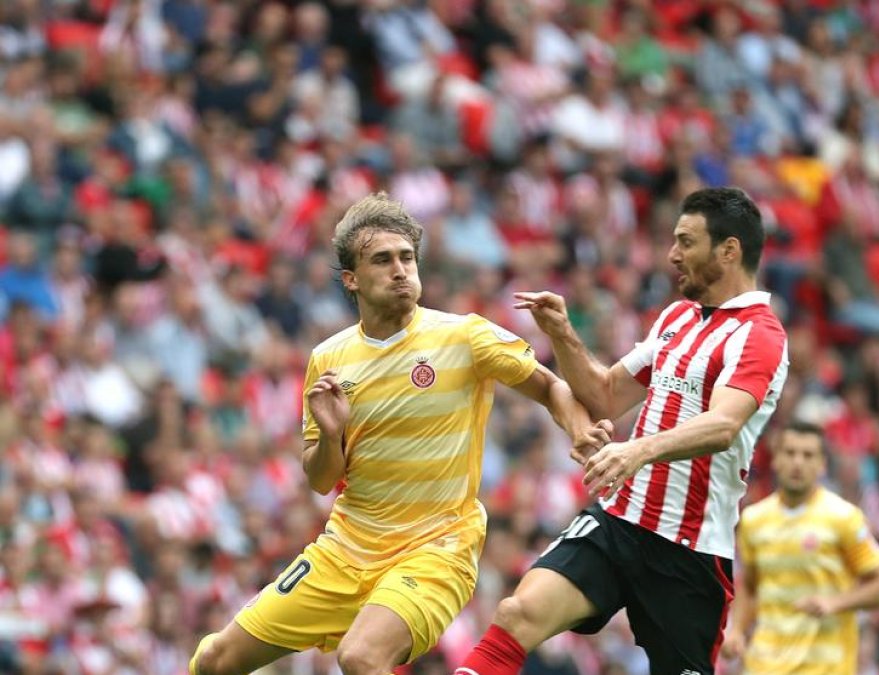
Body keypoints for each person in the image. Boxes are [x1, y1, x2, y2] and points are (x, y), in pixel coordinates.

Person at [190, 192, 612, 675]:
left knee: (362, 657)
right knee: (214, 660)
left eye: (407, 258)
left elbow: (552, 387)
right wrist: (330, 437)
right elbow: (322, 479)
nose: (400, 270)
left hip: (436, 547)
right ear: (351, 279)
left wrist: (578, 428)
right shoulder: (328, 358)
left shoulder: (462, 336)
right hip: (345, 549)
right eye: (382, 260)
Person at [454, 186, 790, 675]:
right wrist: (562, 334)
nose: (672, 255)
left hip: (689, 552)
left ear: (729, 250)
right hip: (619, 522)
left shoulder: (760, 335)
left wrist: (636, 452)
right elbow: (605, 395)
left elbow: (723, 424)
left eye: (686, 242)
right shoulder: (678, 317)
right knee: (517, 613)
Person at [721, 421, 879, 674]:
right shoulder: (753, 520)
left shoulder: (844, 518)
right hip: (764, 664)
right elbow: (749, 585)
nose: (798, 462)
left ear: (822, 464)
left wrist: (835, 603)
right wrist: (736, 630)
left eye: (808, 455)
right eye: (790, 453)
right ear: (776, 460)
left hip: (825, 666)